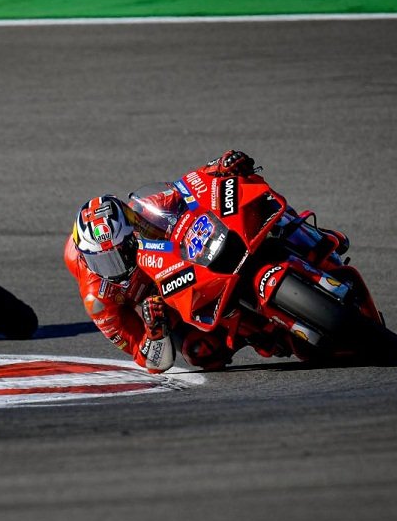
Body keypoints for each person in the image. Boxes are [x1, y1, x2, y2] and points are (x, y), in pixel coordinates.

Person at [63, 150, 257, 372]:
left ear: (132, 233)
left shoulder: (144, 211)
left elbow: (188, 187)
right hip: (163, 301)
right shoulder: (97, 299)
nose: (112, 269)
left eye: (117, 256)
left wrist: (220, 166)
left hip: (187, 259)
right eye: (100, 262)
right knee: (200, 351)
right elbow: (149, 361)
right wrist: (154, 331)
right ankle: (249, 332)